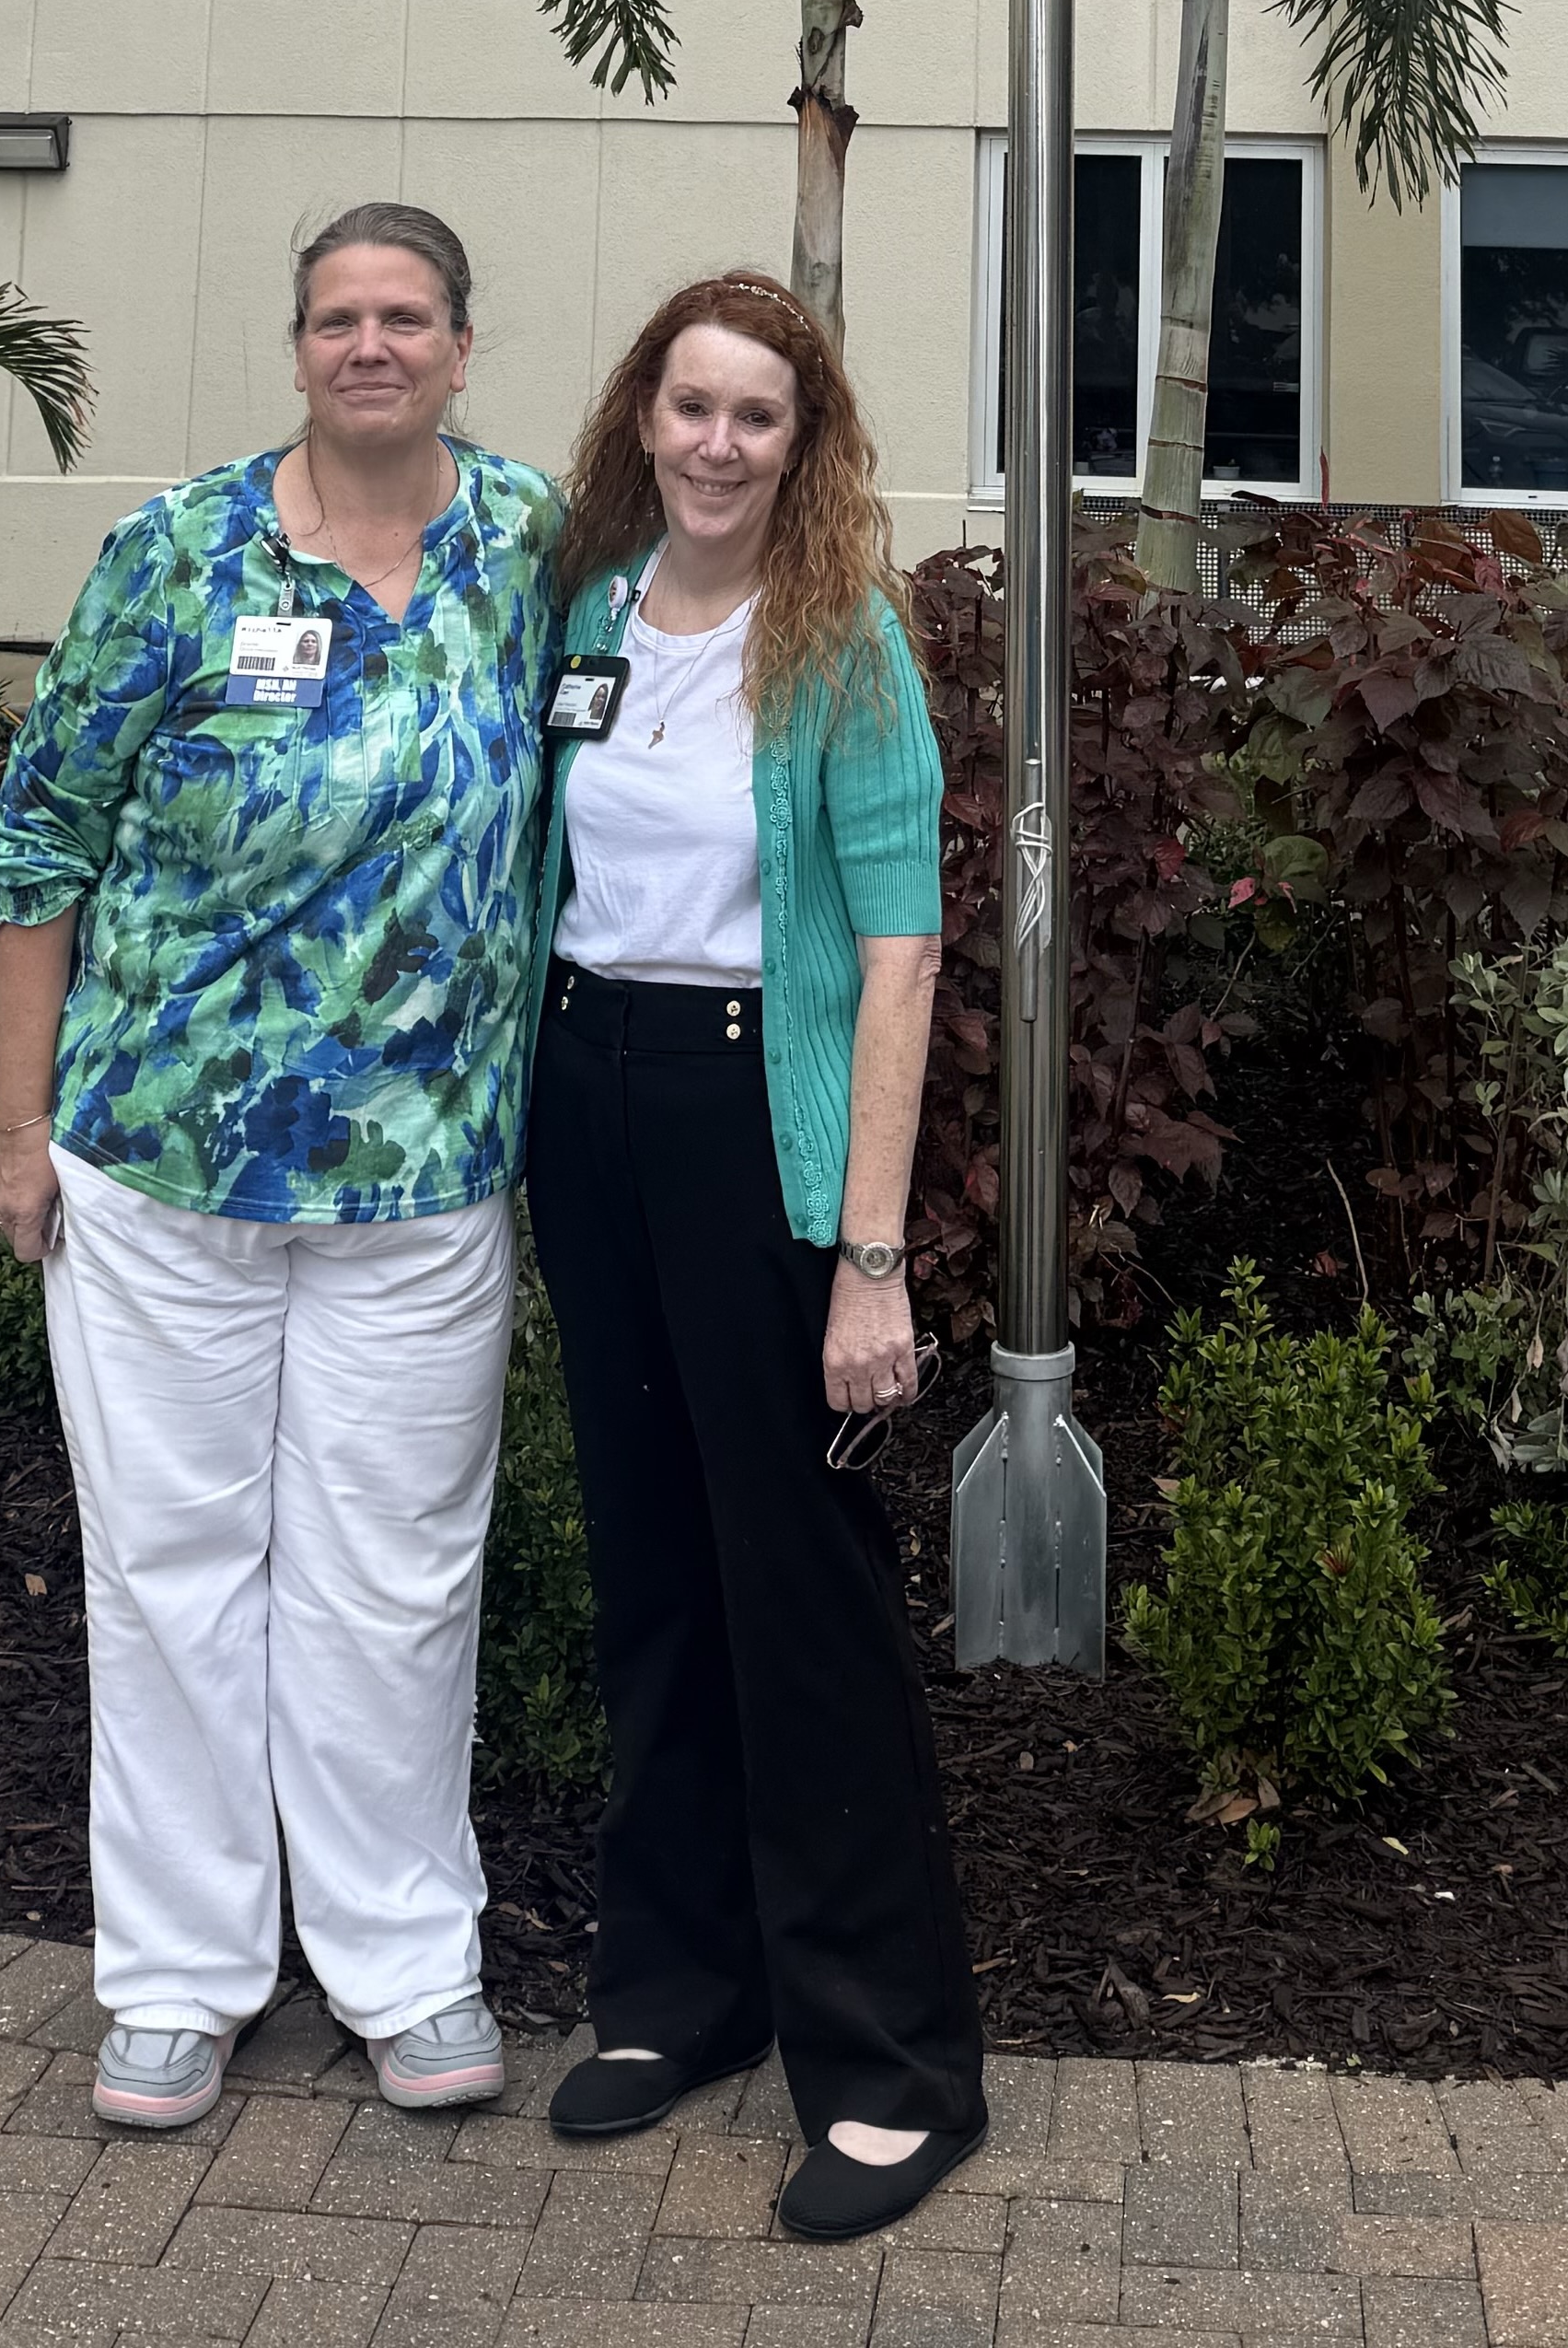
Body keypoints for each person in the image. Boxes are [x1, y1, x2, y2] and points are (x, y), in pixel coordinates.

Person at [0, 202, 563, 2140]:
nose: (370, 345)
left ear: (464, 347)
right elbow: (40, 839)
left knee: (394, 1589)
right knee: (169, 1579)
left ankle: (406, 1966)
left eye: (405, 317)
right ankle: (177, 1979)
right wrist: (18, 1126)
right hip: (158, 1165)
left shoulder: (534, 551)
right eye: (336, 318)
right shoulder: (178, 551)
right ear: (298, 349)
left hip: (423, 1184)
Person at [519, 270, 987, 2240]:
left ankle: (890, 2068)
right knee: (651, 1569)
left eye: (759, 418)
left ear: (806, 447)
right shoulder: (585, 617)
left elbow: (900, 953)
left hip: (751, 1135)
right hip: (588, 1099)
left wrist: (867, 1257)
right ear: (645, 417)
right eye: (691, 406)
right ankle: (681, 1995)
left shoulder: (842, 647)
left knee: (796, 1592)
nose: (718, 444)